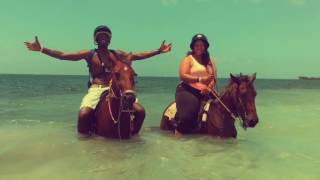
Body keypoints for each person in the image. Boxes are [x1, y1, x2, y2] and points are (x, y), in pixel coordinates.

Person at [24, 25, 172, 136]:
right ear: (95, 39)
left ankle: (133, 134)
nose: (103, 38)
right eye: (100, 36)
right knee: (84, 114)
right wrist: (42, 49)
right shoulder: (89, 54)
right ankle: (84, 139)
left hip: (117, 88)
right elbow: (63, 55)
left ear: (110, 38)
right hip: (97, 88)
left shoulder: (117, 54)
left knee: (140, 111)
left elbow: (137, 56)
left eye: (106, 36)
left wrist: (158, 51)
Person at [174, 34, 217, 136]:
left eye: (201, 45)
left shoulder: (210, 61)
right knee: (187, 117)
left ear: (205, 47)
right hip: (188, 90)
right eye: (197, 45)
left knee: (225, 109)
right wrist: (200, 79)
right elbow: (183, 76)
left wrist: (209, 88)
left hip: (207, 91)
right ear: (193, 47)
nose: (199, 47)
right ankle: (178, 134)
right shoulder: (188, 59)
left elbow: (213, 77)